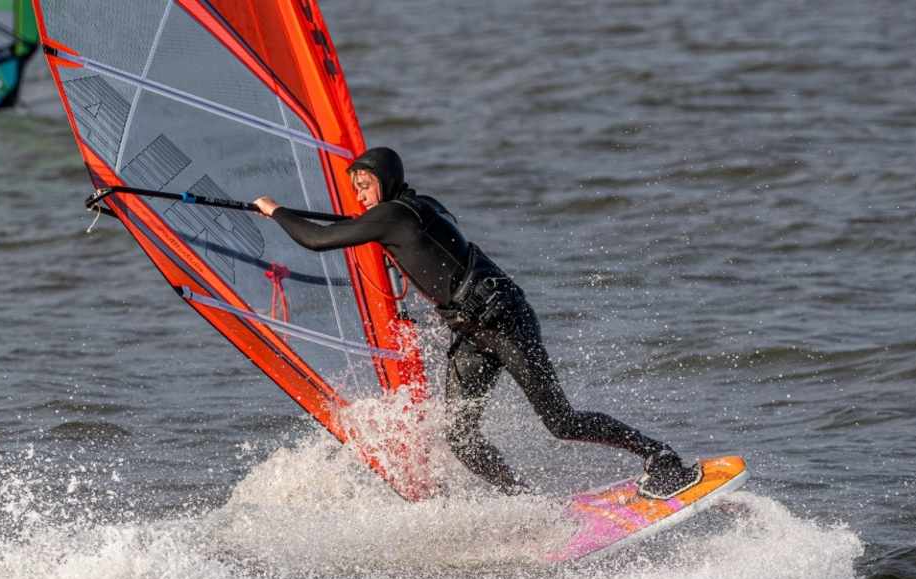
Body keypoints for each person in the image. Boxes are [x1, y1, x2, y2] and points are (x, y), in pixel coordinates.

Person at [253, 147, 700, 499]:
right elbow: (410, 240)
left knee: (561, 421)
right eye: (356, 189)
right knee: (461, 438)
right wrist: (369, 221)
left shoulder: (391, 216)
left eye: (366, 185)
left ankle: (662, 458)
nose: (361, 195)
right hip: (470, 331)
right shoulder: (414, 208)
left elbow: (317, 239)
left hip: (504, 319)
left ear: (386, 181)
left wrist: (274, 210)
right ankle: (529, 504)